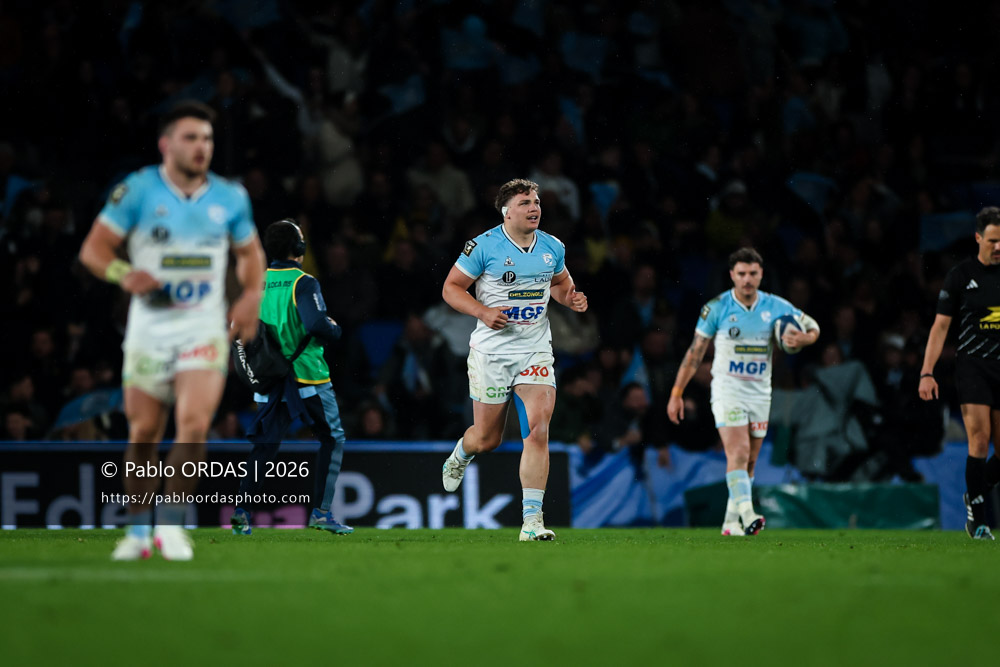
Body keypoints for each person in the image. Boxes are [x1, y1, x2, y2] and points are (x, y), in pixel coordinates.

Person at [78, 101, 266, 560]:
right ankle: (139, 533)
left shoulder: (230, 196)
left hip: (202, 325)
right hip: (149, 327)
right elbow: (94, 250)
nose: (201, 147)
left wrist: (250, 297)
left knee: (194, 426)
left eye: (207, 138)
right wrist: (123, 273)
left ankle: (172, 525)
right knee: (143, 432)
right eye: (190, 137)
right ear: (166, 144)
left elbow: (250, 256)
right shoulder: (138, 191)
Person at [439, 178, 588, 541]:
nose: (534, 207)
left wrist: (571, 298)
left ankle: (532, 522)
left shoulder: (552, 246)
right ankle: (462, 452)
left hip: (534, 349)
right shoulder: (483, 246)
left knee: (537, 429)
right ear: (507, 212)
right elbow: (451, 289)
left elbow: (559, 284)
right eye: (525, 202)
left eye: (536, 201)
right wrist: (482, 311)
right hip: (491, 352)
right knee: (487, 439)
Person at [668, 247, 820, 536]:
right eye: (741, 273)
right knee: (737, 451)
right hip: (727, 389)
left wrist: (805, 337)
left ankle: (729, 522)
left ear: (761, 274)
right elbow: (695, 352)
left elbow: (814, 327)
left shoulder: (776, 306)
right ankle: (749, 515)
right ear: (732, 276)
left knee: (749, 460)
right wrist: (677, 392)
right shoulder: (717, 308)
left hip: (760, 393)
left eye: (752, 273)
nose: (747, 279)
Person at [230, 219, 353, 536]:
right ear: (299, 248)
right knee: (332, 438)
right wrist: (335, 328)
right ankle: (321, 513)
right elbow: (316, 325)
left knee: (266, 446)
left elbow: (237, 330)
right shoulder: (303, 282)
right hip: (307, 377)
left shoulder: (256, 283)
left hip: (270, 380)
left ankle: (242, 511)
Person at [919, 206, 1000, 540]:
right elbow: (940, 329)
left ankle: (974, 489)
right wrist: (927, 371)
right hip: (973, 368)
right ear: (978, 238)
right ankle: (978, 521)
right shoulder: (960, 276)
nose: (998, 247)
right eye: (993, 241)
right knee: (979, 441)